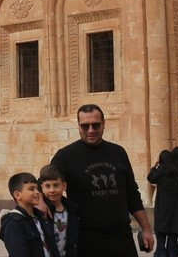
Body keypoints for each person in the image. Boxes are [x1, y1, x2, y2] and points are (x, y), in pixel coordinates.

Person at [49, 104, 155, 256]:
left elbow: (132, 194)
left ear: (104, 124)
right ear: (78, 126)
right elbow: (46, 185)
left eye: (96, 125)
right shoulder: (65, 156)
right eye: (85, 126)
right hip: (86, 240)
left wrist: (146, 229)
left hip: (122, 238)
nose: (91, 130)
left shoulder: (118, 153)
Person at [0, 171, 55, 257]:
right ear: (18, 195)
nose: (37, 192)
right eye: (31, 189)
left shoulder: (41, 217)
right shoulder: (14, 223)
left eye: (37, 188)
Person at [148, 150, 178, 257]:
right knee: (173, 229)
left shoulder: (162, 169)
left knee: (162, 229)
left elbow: (151, 178)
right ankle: (172, 252)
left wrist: (154, 166)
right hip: (175, 204)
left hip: (163, 203)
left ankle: (161, 252)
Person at [38, 164, 78, 257]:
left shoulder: (72, 211)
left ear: (64, 186)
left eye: (56, 185)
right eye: (47, 186)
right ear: (42, 187)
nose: (52, 190)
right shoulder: (39, 210)